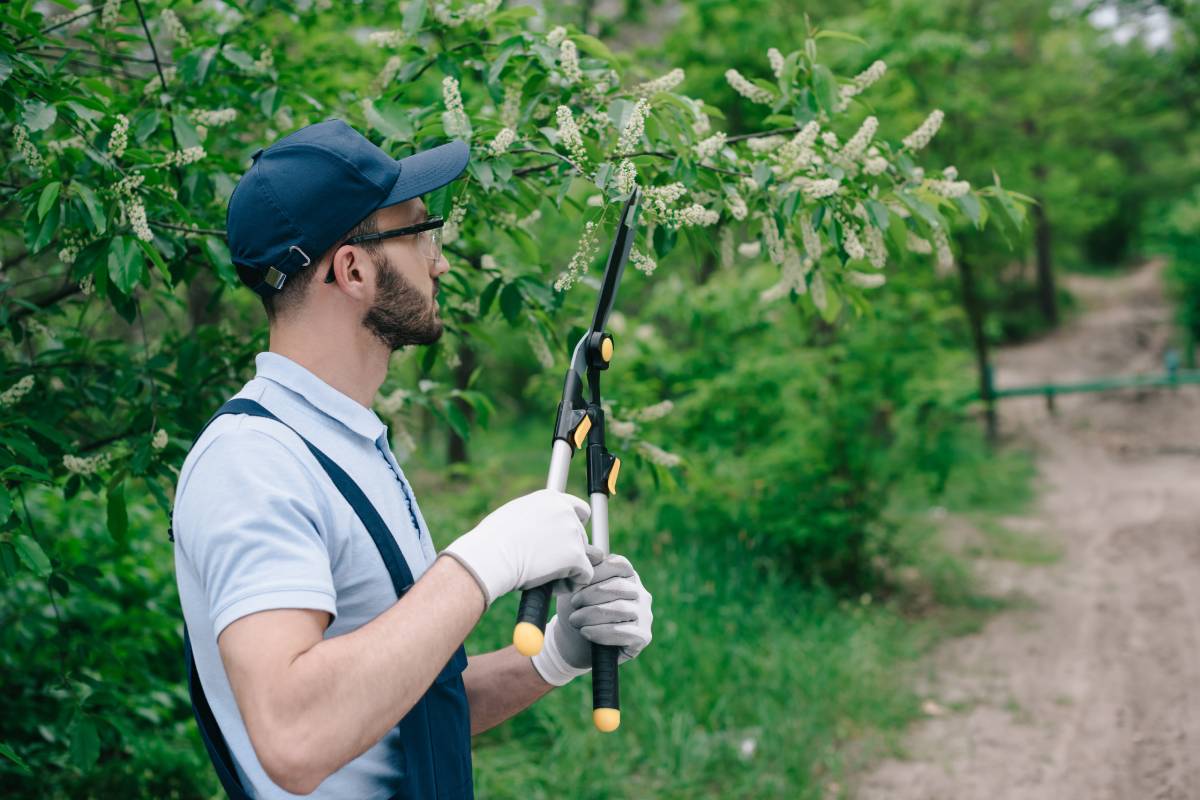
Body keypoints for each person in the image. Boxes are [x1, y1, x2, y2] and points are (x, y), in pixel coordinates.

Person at [171, 119, 654, 799]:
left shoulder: (349, 445)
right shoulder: (252, 462)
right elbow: (294, 735)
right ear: (355, 268)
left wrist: (557, 655)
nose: (440, 260)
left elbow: (401, 708)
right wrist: (481, 563)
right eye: (420, 232)